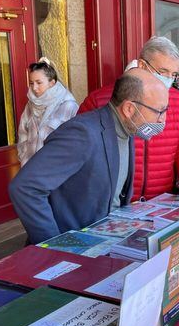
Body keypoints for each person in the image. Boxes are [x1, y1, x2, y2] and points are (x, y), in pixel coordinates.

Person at [9, 69, 169, 243]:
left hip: (104, 244)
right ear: (129, 109)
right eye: (159, 111)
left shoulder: (127, 130)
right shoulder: (83, 133)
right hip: (74, 249)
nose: (163, 119)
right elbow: (25, 187)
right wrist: (54, 245)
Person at [78, 37, 179, 201]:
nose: (168, 79)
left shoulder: (178, 101)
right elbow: (80, 153)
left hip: (161, 203)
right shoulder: (100, 100)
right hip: (112, 203)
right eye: (162, 71)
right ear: (143, 66)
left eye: (173, 74)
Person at [16, 59, 79, 167]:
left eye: (39, 83)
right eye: (31, 83)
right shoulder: (30, 105)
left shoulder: (68, 106)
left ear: (52, 83)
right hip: (30, 168)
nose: (34, 88)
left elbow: (75, 143)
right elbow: (23, 133)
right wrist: (23, 157)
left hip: (54, 171)